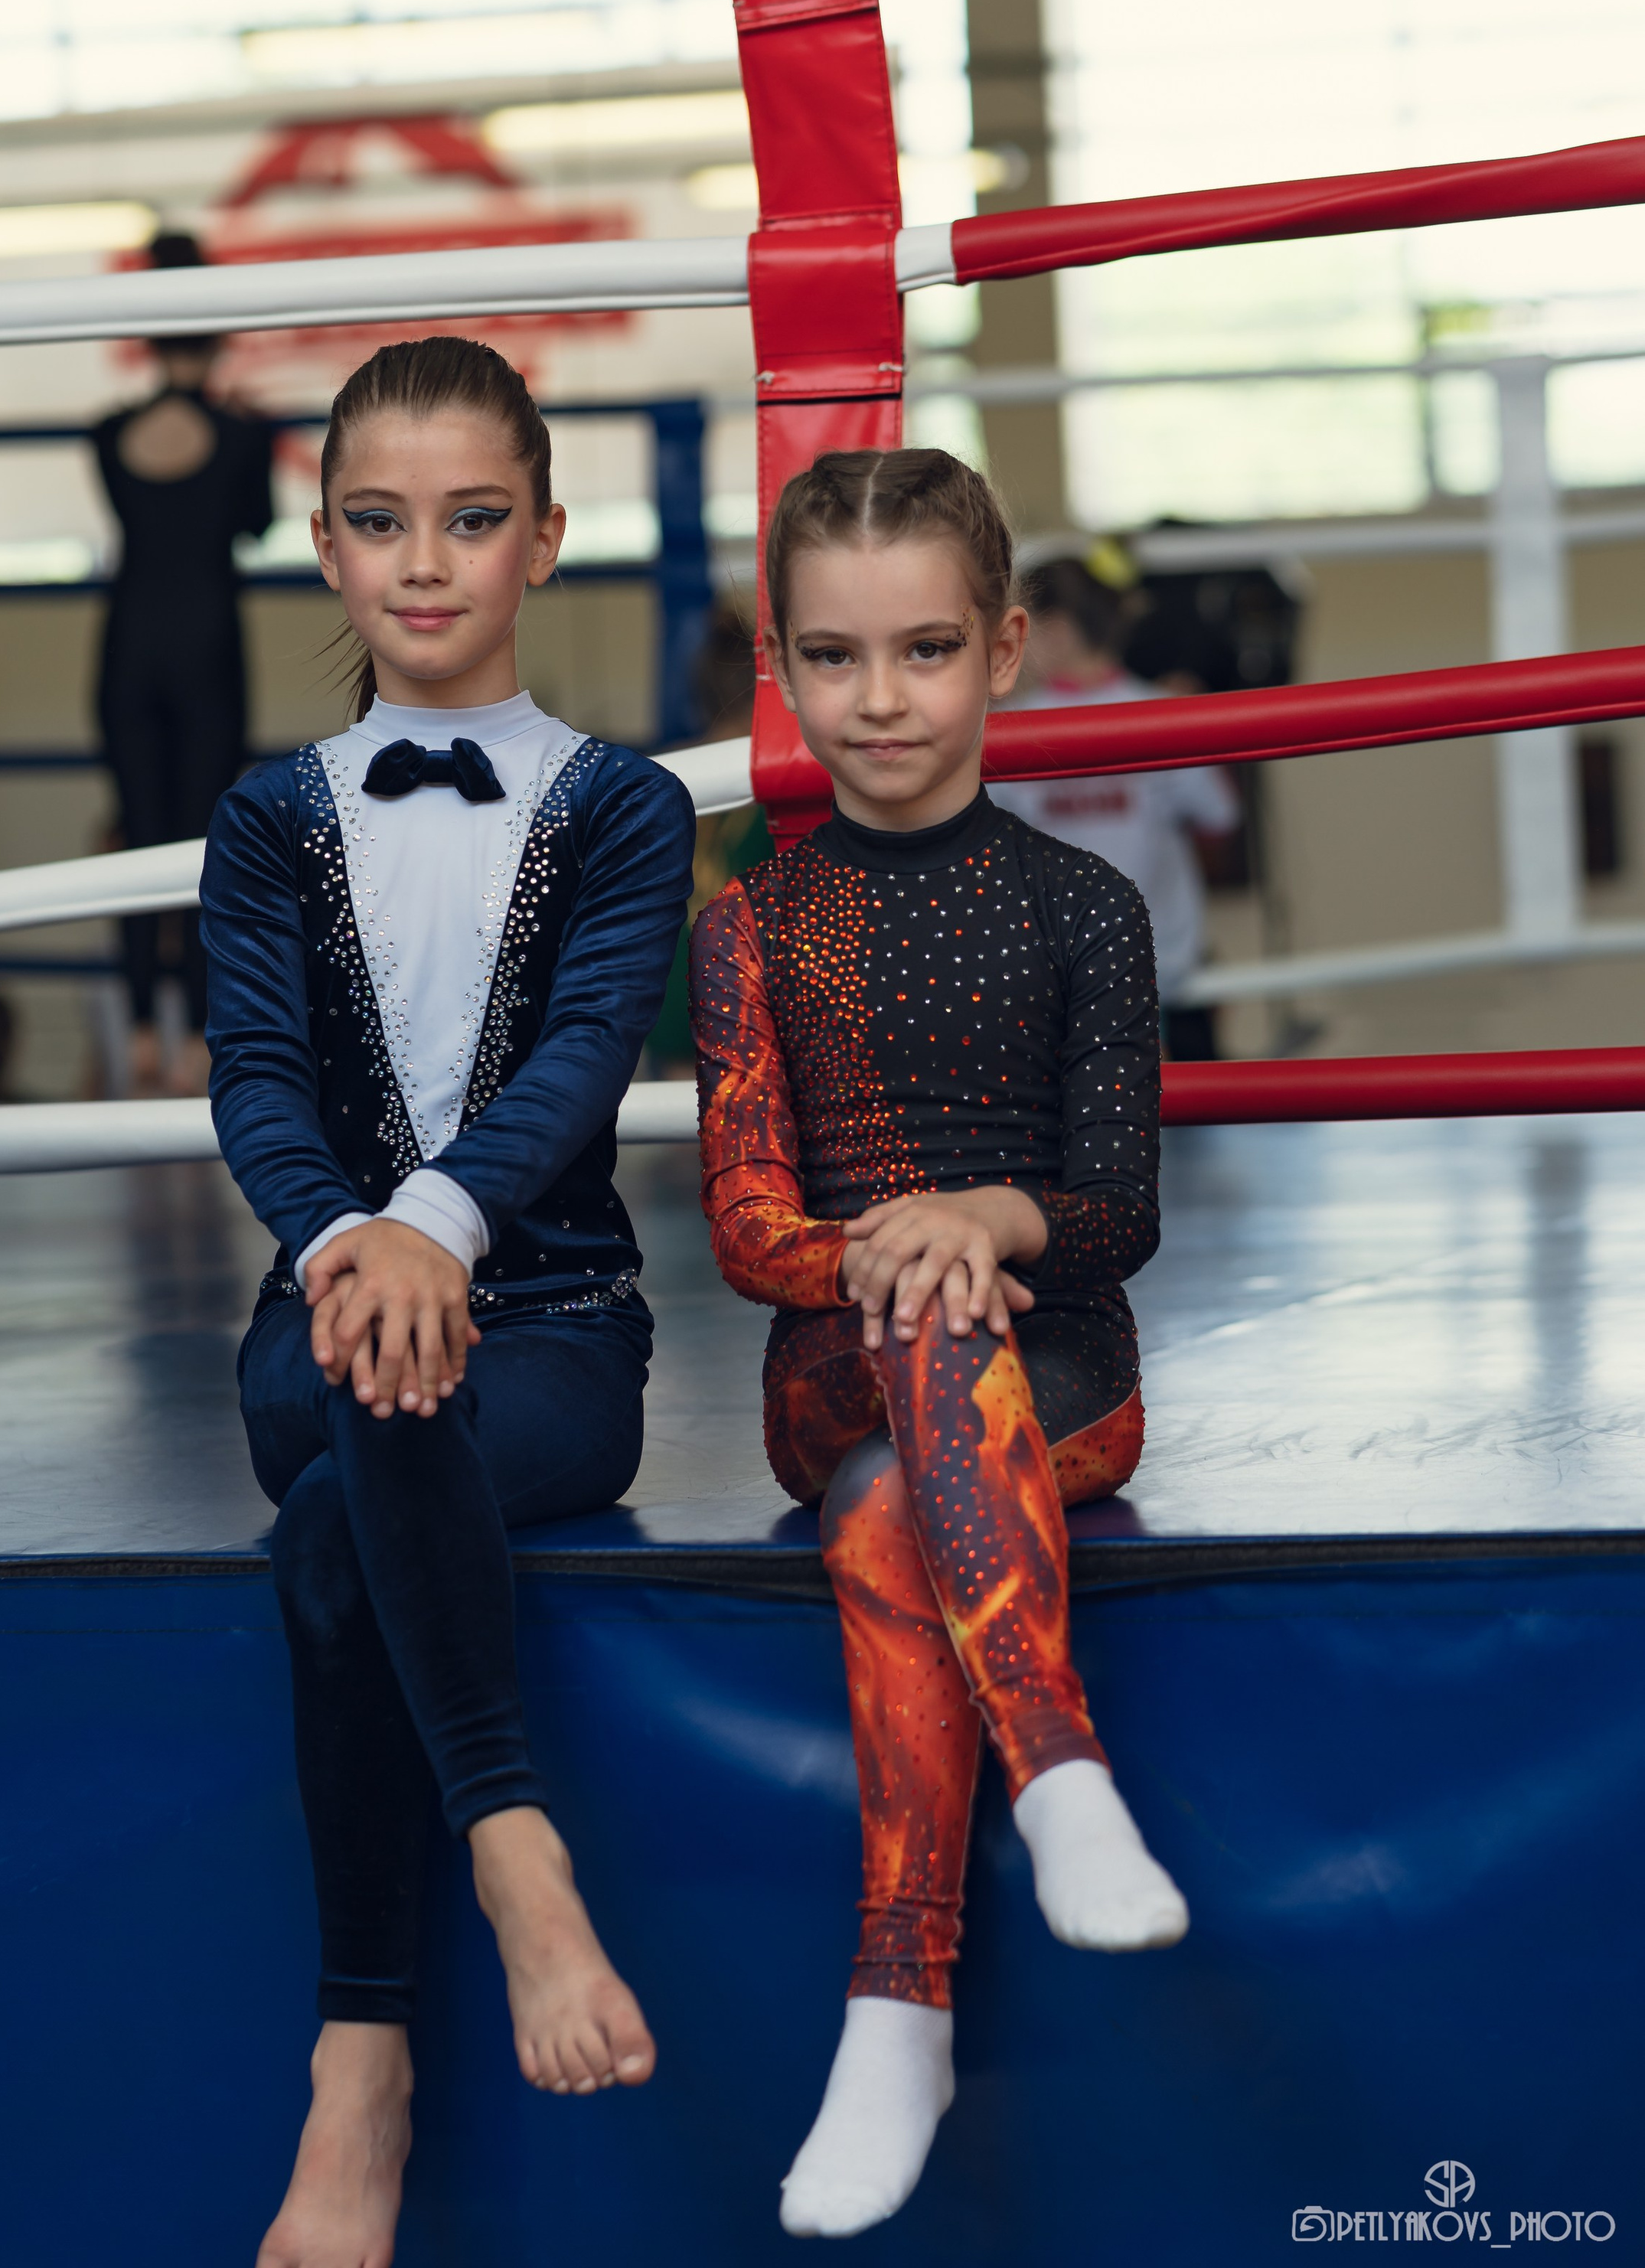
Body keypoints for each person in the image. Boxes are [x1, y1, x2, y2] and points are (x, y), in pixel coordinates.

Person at [201, 335, 696, 2268]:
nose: (427, 562)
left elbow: (579, 1058)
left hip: (556, 1329)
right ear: (321, 544)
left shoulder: (624, 803)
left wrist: (436, 1232)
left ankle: (359, 2055)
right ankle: (514, 1849)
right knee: (354, 1392)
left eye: (472, 521)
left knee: (350, 1488)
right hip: (317, 1316)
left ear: (544, 539)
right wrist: (353, 1245)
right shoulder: (266, 817)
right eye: (383, 522)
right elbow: (251, 1071)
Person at [689, 451, 1186, 2243]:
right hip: (832, 1357)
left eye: (919, 650)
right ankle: (1060, 1775)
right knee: (906, 1338)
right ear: (780, 661)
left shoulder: (1082, 911)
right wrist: (901, 1246)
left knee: (894, 1502)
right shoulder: (747, 918)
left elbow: (1116, 1207)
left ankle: (893, 2013)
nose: (876, 699)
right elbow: (749, 1229)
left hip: (1059, 1376)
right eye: (831, 657)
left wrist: (984, 1217)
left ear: (1003, 650)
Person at [93, 262, 274, 1094]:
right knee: (208, 843)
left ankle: (139, 1033)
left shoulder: (104, 433)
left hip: (128, 645)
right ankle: (201, 1042)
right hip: (206, 645)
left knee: (138, 832)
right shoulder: (240, 434)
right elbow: (256, 525)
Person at [1000, 552, 1242, 1061]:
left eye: (1025, 627)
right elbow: (1221, 816)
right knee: (1189, 1130)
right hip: (1156, 967)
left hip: (1070, 980)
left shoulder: (1010, 730)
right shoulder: (1159, 711)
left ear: (1058, 628)